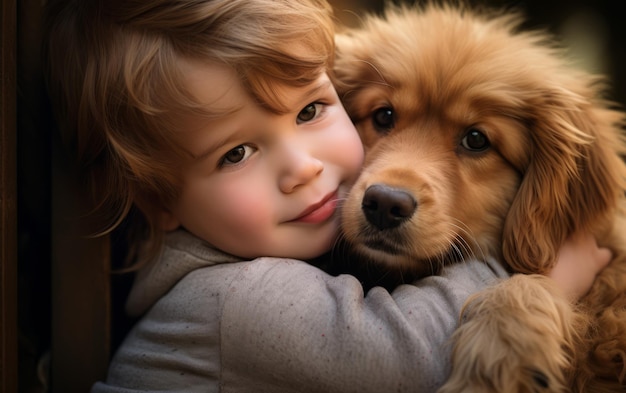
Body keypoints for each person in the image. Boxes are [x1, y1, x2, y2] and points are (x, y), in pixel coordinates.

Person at [44, 0, 611, 392]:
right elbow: (404, 358)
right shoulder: (232, 304)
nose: (302, 168)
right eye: (383, 116)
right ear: (160, 202)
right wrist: (550, 277)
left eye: (476, 140)